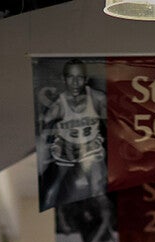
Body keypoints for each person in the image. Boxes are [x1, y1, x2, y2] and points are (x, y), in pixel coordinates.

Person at [36, 59, 107, 210]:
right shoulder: (58, 105)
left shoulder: (97, 98)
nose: (75, 83)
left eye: (79, 78)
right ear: (64, 79)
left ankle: (106, 220)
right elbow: (43, 133)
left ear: (86, 79)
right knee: (53, 187)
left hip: (90, 148)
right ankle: (50, 210)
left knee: (98, 187)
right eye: (70, 77)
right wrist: (43, 159)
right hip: (65, 150)